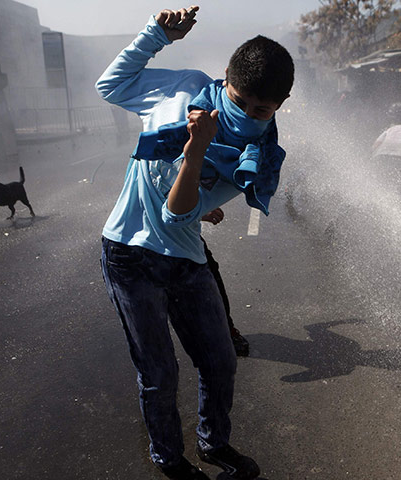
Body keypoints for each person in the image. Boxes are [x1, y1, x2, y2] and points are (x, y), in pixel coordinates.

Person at [97, 6, 293, 480]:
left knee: (220, 359)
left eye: (262, 110)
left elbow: (177, 213)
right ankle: (169, 458)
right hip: (128, 253)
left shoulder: (259, 157)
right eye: (241, 101)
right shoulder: (184, 86)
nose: (248, 117)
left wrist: (196, 157)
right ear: (225, 79)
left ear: (279, 106)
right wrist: (155, 36)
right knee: (159, 372)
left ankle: (213, 443)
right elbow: (112, 86)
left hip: (184, 254)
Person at [200, 208, 249, 357]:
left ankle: (228, 329)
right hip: (147, 247)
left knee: (212, 277)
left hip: (185, 237)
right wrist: (196, 212)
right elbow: (163, 207)